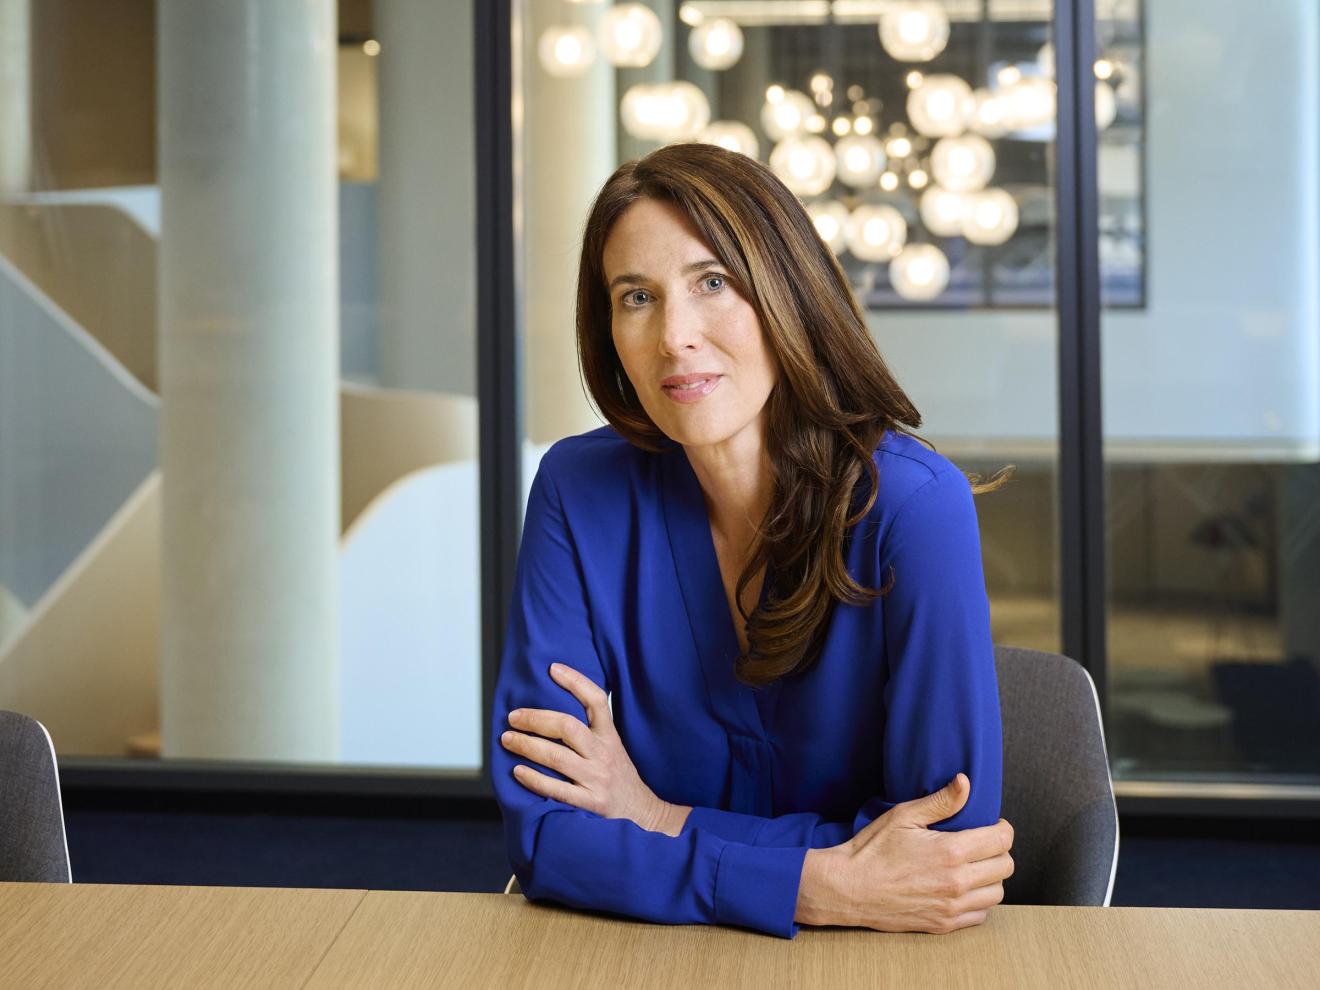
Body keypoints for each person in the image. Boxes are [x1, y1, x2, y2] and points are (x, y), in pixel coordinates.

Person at [490, 142, 1015, 939]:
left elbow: (940, 854)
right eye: (637, 297)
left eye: (713, 283)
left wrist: (654, 818)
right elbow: (548, 834)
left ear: (786, 294)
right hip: (637, 964)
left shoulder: (916, 508)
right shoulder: (575, 490)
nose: (675, 337)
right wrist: (821, 884)